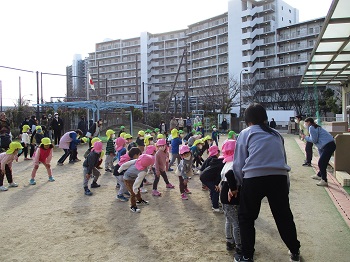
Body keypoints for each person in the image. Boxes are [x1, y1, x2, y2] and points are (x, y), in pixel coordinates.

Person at [233, 103, 300, 262]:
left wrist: (237, 185)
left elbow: (239, 163)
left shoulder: (245, 133)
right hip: (279, 178)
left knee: (246, 217)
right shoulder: (277, 134)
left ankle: (247, 256)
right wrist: (286, 188)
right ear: (265, 118)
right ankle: (295, 251)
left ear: (248, 120)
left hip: (254, 178)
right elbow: (283, 160)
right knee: (284, 216)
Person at [219, 140, 242, 253]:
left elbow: (224, 176)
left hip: (223, 195)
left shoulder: (226, 163)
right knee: (236, 222)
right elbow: (230, 175)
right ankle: (239, 245)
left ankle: (229, 241)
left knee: (228, 219)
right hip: (231, 196)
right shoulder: (234, 163)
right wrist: (234, 189)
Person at [301, 118, 336, 187]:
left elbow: (314, 140)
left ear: (308, 122)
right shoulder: (315, 127)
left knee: (321, 162)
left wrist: (305, 137)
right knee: (323, 162)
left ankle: (324, 180)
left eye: (305, 123)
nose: (305, 124)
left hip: (328, 146)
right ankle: (319, 175)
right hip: (328, 145)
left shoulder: (311, 128)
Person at [199, 145, 224, 212]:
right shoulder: (220, 164)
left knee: (213, 189)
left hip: (207, 176)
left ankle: (214, 202)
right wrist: (216, 184)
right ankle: (215, 207)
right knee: (216, 190)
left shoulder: (216, 160)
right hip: (205, 177)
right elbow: (219, 175)